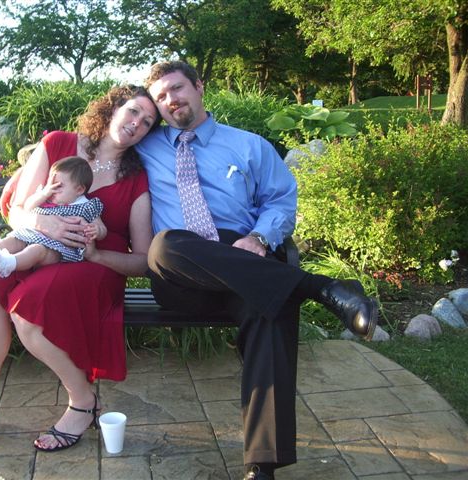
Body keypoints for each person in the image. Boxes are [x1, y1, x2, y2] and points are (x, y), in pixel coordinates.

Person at [135, 61, 378, 480]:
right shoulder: (145, 146)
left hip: (245, 256)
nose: (170, 100)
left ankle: (261, 467)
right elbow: (90, 148)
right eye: (160, 97)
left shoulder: (249, 145)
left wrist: (260, 239)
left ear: (199, 86)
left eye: (176, 88)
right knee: (165, 245)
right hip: (182, 272)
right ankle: (320, 288)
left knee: (270, 306)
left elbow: (281, 201)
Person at [0, 85, 160, 453]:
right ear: (115, 106)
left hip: (94, 265)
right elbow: (18, 209)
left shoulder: (136, 178)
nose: (137, 123)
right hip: (37, 243)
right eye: (133, 111)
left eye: (147, 122)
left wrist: (97, 256)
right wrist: (45, 223)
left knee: (29, 306)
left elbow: (142, 260)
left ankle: (82, 401)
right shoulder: (57, 145)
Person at [0, 156, 107, 278]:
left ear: (79, 189)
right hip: (31, 234)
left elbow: (101, 229)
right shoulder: (46, 197)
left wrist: (97, 230)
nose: (52, 189)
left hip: (60, 250)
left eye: (58, 186)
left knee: (37, 250)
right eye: (51, 183)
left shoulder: (86, 206)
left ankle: (7, 263)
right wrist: (44, 193)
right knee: (12, 240)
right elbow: (28, 206)